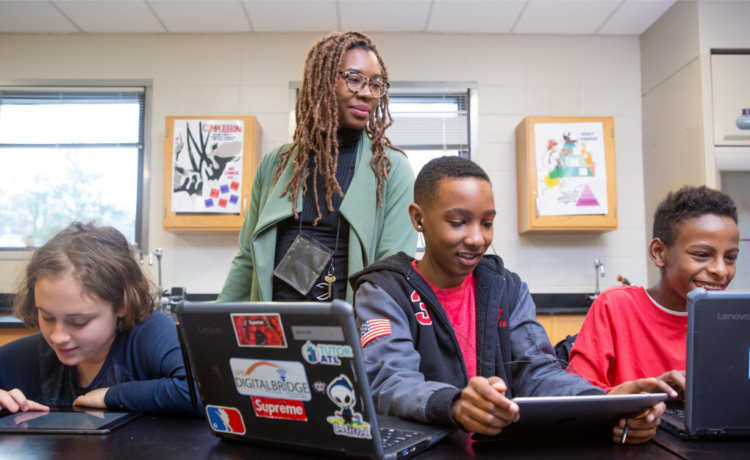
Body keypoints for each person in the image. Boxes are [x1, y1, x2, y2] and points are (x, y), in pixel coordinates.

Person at [350, 156, 666, 443]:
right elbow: (389, 382)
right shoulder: (384, 291)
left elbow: (540, 371)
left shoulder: (507, 288)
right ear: (418, 218)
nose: (477, 239)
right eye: (457, 222)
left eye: (487, 223)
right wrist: (455, 404)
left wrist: (604, 405)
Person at [218, 31, 415, 304]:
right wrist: (214, 325)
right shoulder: (275, 164)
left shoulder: (391, 170)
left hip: (351, 325)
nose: (367, 93)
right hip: (274, 323)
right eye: (354, 79)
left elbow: (393, 273)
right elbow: (247, 260)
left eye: (376, 84)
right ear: (321, 82)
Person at [0, 222, 201, 417]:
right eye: (48, 317)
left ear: (121, 304)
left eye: (79, 321)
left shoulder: (150, 333)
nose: (58, 337)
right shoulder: (27, 356)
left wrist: (112, 396)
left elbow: (202, 393)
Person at [569, 186, 739, 396]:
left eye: (730, 257)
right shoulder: (614, 307)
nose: (721, 270)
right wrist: (640, 398)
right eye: (701, 255)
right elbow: (578, 397)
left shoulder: (736, 313)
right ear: (659, 252)